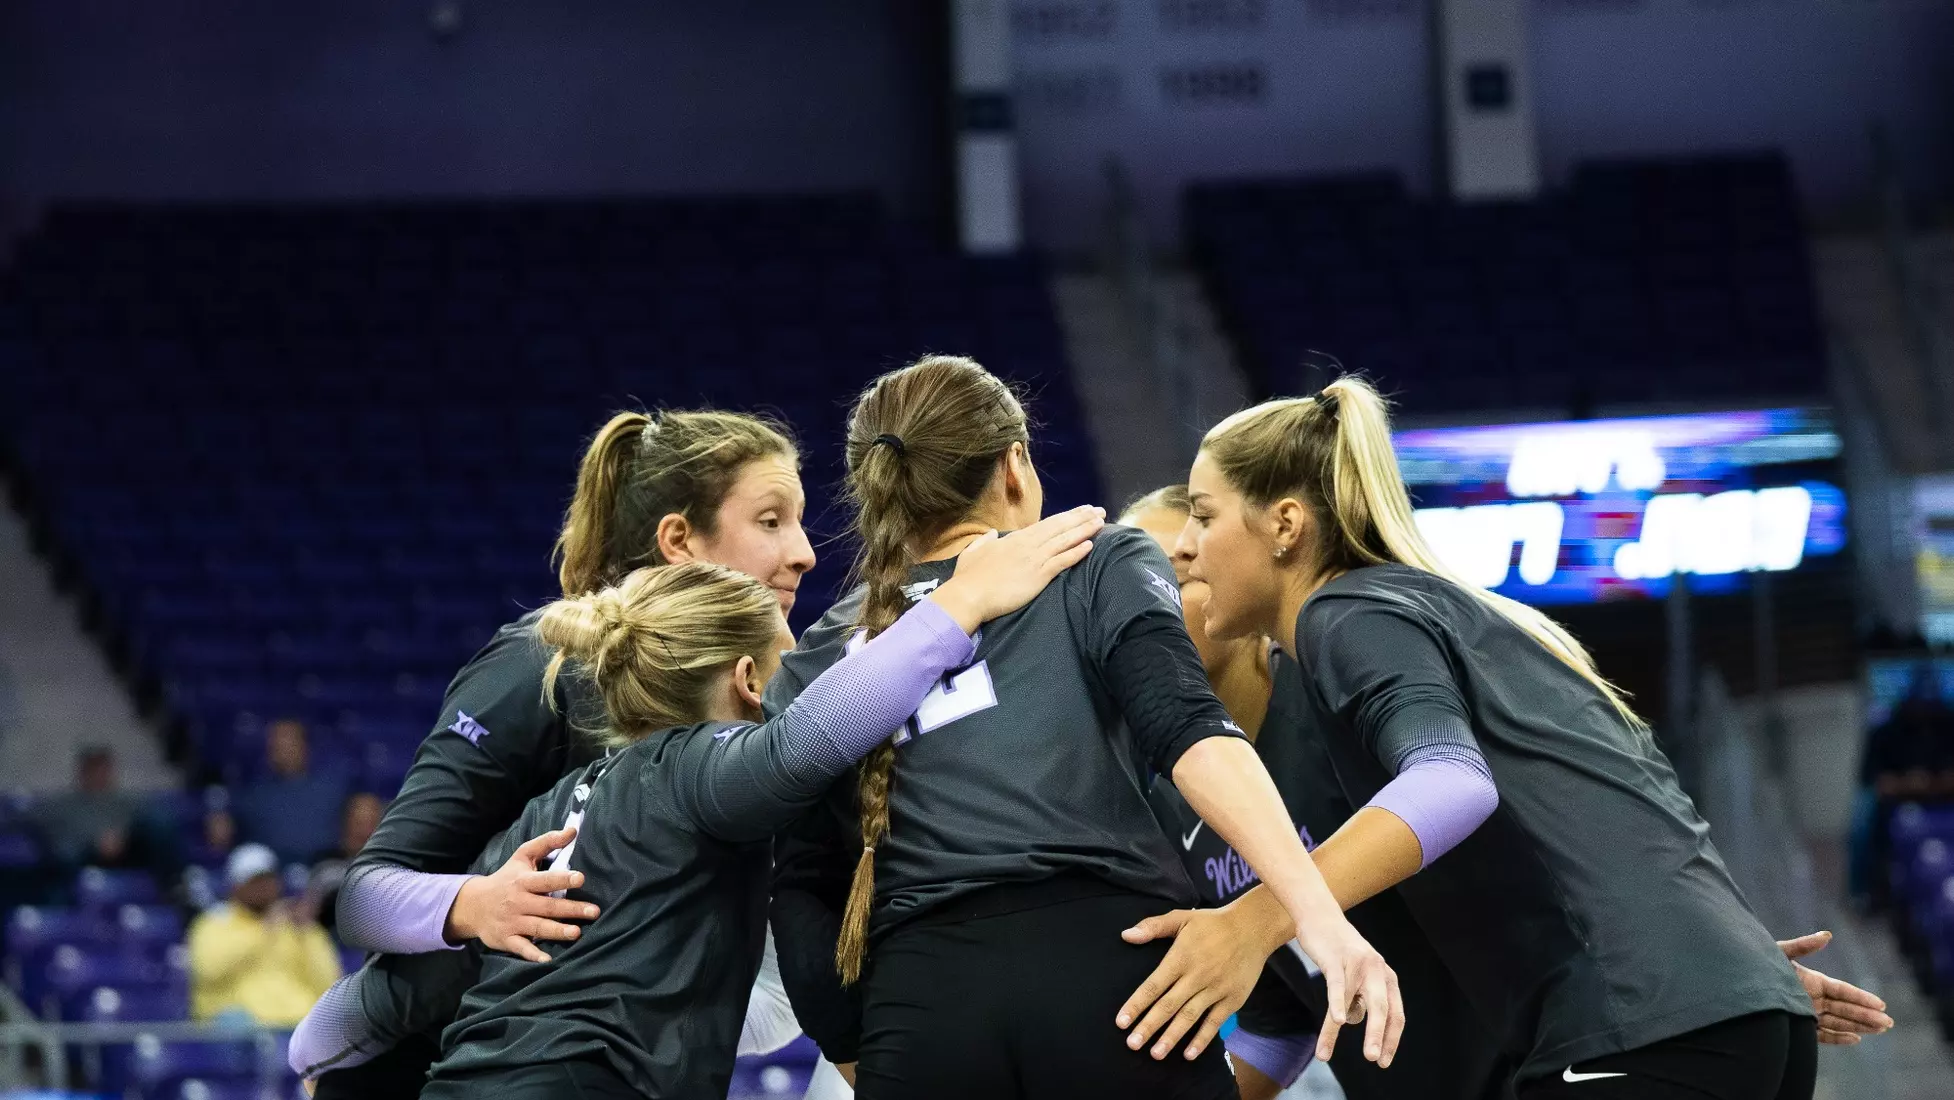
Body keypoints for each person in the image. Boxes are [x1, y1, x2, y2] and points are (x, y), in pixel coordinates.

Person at [1124, 377, 1836, 1100]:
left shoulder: (1342, 617)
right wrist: (1714, 960)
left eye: (1204, 518)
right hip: (1708, 1014)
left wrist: (1258, 918)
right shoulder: (1419, 609)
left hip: (1629, 1025)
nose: (1186, 549)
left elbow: (1452, 782)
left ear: (1284, 525)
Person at [767, 356, 1402, 1100]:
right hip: (1114, 988)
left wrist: (862, 1052)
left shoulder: (814, 657)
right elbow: (1192, 733)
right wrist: (1315, 915)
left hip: (923, 1008)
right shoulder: (1092, 560)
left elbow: (801, 895)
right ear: (1015, 466)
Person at [397, 515, 1093, 1097]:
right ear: (749, 681)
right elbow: (810, 738)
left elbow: (750, 1015)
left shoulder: (557, 806)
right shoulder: (694, 768)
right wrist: (961, 603)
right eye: (793, 667)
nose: (803, 684)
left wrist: (324, 1050)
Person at [301, 409, 820, 1100]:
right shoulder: (539, 669)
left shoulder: (751, 695)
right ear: (678, 540)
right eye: (770, 520)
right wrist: (478, 903)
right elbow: (364, 899)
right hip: (432, 1071)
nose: (805, 551)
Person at [1122, 487, 1508, 1100]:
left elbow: (1460, 786)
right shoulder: (1173, 801)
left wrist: (1257, 919)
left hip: (1528, 1064)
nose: (1139, 609)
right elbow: (1280, 1026)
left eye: (1171, 576)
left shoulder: (1334, 691)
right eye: (1123, 589)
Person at [188, 843, 342, 1027]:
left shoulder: (298, 926)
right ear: (235, 886)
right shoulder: (215, 923)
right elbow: (209, 971)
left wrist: (306, 934)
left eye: (268, 879)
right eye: (254, 881)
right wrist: (264, 931)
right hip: (242, 1032)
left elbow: (329, 983)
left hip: (298, 1028)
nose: (263, 887)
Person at [234, 719, 352, 865]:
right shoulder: (253, 794)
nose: (282, 748)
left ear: (304, 747)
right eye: (276, 743)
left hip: (322, 869)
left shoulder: (332, 790)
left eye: (288, 742)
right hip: (268, 875)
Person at [35, 746, 145, 871]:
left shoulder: (128, 804)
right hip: (82, 861)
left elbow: (138, 830)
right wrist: (95, 842)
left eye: (104, 770)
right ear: (82, 773)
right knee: (67, 852)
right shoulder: (63, 805)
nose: (99, 776)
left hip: (126, 857)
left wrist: (120, 839)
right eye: (93, 770)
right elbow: (60, 840)